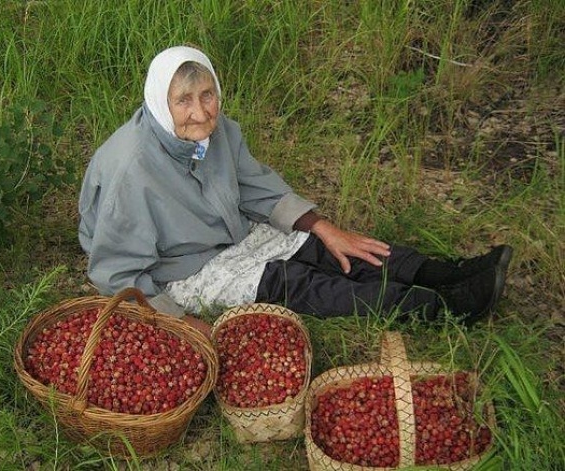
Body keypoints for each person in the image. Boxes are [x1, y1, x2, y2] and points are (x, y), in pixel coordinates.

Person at [78, 45, 513, 338]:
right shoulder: (131, 168)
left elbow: (256, 186)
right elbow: (115, 271)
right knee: (298, 282)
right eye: (184, 101)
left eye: (207, 95)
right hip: (182, 269)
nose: (200, 111)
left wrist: (324, 229)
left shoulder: (218, 131)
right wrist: (182, 321)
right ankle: (440, 309)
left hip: (235, 235)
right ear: (160, 103)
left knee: (333, 252)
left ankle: (445, 274)